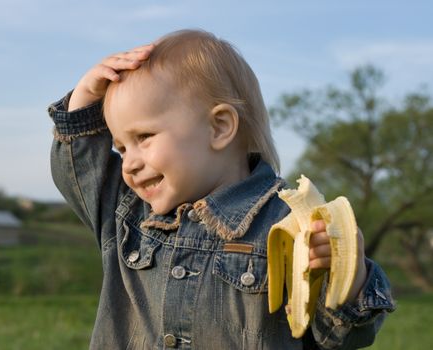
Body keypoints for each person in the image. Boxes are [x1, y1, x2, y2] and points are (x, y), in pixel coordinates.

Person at [48, 29, 395, 349]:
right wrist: (84, 97)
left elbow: (341, 337)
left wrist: (347, 277)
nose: (130, 163)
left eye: (144, 137)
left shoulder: (288, 227)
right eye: (122, 148)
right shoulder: (127, 216)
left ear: (219, 128)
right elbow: (80, 166)